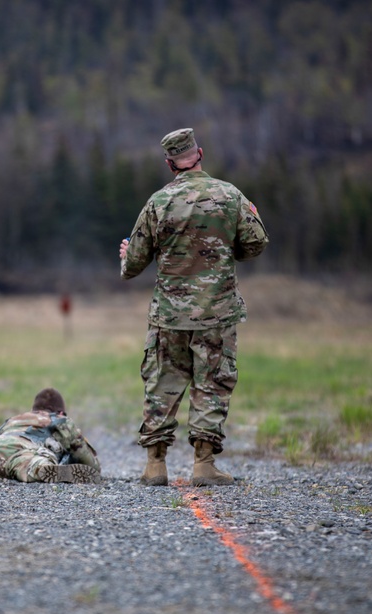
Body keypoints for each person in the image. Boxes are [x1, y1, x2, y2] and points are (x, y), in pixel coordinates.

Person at [119, 128, 269, 487]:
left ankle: (155, 465)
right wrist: (223, 252)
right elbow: (256, 243)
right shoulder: (230, 196)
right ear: (199, 154)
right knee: (212, 383)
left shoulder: (157, 203)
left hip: (169, 315)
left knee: (162, 384)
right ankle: (204, 464)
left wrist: (127, 258)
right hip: (217, 313)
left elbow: (134, 264)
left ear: (170, 163)